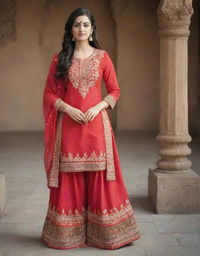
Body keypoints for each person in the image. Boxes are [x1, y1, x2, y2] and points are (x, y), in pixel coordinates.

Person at [41, 7, 140, 250]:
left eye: (86, 25)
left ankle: (107, 234)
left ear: (92, 29)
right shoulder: (60, 58)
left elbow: (115, 90)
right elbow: (49, 94)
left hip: (97, 126)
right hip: (69, 126)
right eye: (76, 25)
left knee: (101, 177)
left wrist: (98, 107)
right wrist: (68, 108)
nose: (81, 29)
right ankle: (66, 235)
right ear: (70, 30)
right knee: (69, 177)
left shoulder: (103, 57)